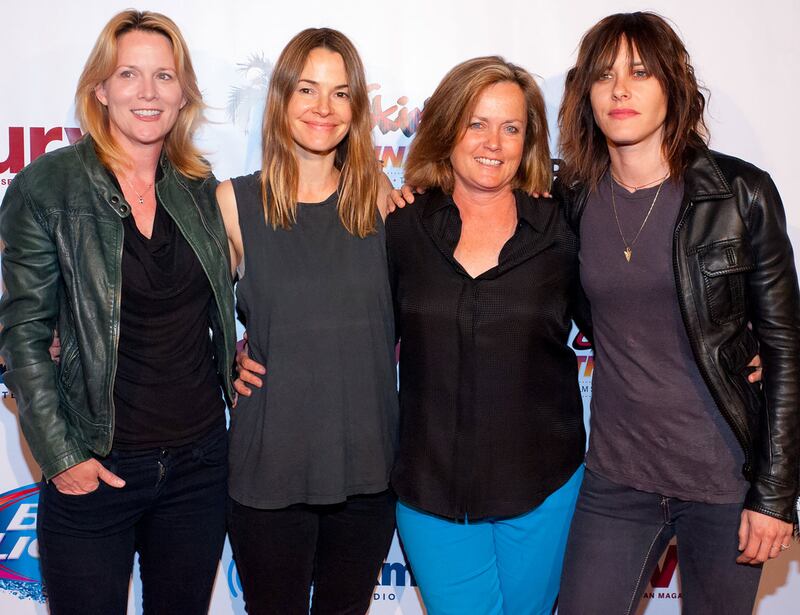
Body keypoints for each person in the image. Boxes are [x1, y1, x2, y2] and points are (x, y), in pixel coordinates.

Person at [556, 12, 799, 614]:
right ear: (584, 93)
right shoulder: (573, 198)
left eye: (640, 72)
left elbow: (786, 349)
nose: (620, 89)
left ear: (673, 85)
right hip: (616, 478)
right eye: (604, 75)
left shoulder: (741, 194)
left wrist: (774, 496)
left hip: (723, 483)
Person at [0, 10, 236, 615]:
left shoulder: (199, 186)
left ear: (184, 93)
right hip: (95, 466)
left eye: (165, 75)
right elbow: (21, 334)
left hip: (199, 465)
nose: (148, 91)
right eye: (129, 73)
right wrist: (62, 456)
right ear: (100, 88)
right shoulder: (44, 188)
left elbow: (222, 297)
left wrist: (241, 353)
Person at [385, 56, 586, 615]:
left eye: (511, 127)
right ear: (448, 128)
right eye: (476, 123)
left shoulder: (562, 227)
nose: (493, 142)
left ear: (530, 140)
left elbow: (624, 325)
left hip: (542, 487)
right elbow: (352, 328)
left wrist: (723, 343)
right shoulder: (400, 226)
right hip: (431, 490)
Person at [217, 28, 398, 615]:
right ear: (281, 101)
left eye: (340, 93)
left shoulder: (386, 207)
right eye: (307, 89)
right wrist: (223, 363)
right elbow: (178, 312)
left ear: (357, 108)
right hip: (270, 469)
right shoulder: (233, 203)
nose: (324, 108)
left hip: (367, 468)